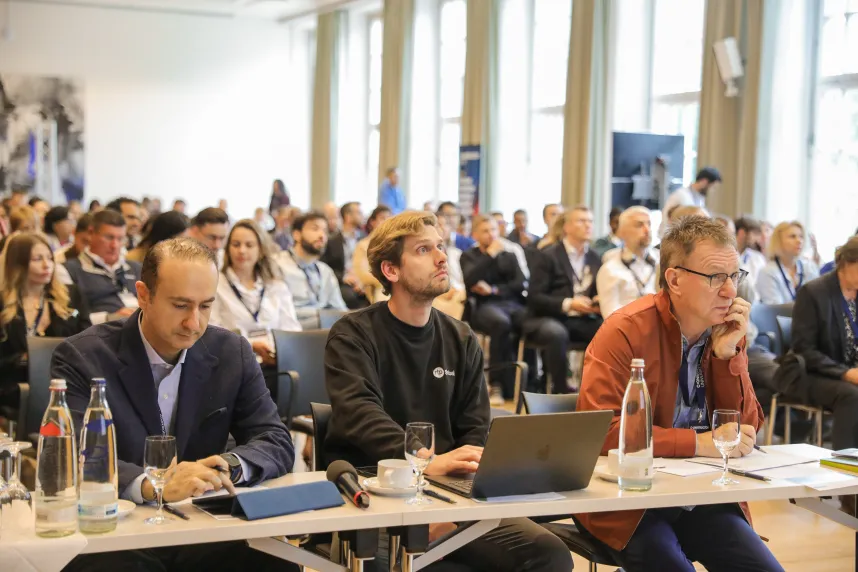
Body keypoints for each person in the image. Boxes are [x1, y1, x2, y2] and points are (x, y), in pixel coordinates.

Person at [323, 211, 573, 572]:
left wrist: (455, 502)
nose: (442, 257)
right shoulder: (353, 334)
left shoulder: (460, 336)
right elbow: (359, 413)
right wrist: (423, 463)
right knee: (383, 562)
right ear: (391, 271)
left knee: (549, 553)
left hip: (451, 493)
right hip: (375, 493)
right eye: (424, 249)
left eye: (440, 246)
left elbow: (475, 425)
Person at [53, 237, 296, 572]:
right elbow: (74, 458)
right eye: (181, 305)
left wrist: (225, 466)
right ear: (143, 296)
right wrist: (157, 485)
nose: (194, 322)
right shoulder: (82, 357)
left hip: (202, 528)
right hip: (117, 531)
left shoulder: (231, 352)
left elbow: (276, 440)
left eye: (206, 306)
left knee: (275, 562)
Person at [575, 215, 781, 572]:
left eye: (735, 276)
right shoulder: (624, 331)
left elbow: (745, 429)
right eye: (716, 277)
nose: (731, 291)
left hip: (700, 495)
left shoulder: (726, 330)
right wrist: (698, 442)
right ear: (675, 279)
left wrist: (726, 357)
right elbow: (603, 434)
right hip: (628, 502)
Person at [778, 237, 858, 453]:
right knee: (851, 395)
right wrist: (846, 373)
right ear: (846, 262)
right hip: (809, 373)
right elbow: (805, 349)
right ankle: (846, 467)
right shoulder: (814, 292)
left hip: (847, 372)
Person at [0, 233, 90, 405]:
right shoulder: (3, 304)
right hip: (16, 386)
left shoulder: (71, 295)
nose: (46, 265)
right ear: (17, 265)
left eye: (49, 258)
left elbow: (88, 340)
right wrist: (25, 358)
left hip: (66, 380)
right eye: (37, 259)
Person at [527, 206, 603, 393]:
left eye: (590, 221)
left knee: (608, 330)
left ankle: (593, 390)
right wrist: (569, 303)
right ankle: (560, 391)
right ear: (567, 227)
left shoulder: (594, 257)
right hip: (547, 317)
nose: (588, 225)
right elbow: (535, 297)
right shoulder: (547, 255)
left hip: (581, 318)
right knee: (557, 333)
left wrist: (597, 301)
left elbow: (595, 290)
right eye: (581, 221)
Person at [211, 219, 301, 365]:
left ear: (261, 250)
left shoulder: (276, 286)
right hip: (232, 363)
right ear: (227, 249)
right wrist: (250, 346)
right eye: (236, 244)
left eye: (249, 245)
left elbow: (292, 329)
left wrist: (279, 351)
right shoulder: (215, 284)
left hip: (275, 364)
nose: (242, 250)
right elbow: (212, 333)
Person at [461, 214, 527, 405]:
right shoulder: (469, 256)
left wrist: (494, 290)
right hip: (482, 306)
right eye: (485, 231)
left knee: (532, 322)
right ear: (475, 234)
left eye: (493, 230)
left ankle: (527, 383)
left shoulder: (509, 254)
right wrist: (490, 255)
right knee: (501, 324)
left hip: (510, 303)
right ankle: (496, 384)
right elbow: (470, 279)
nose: (491, 235)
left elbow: (519, 283)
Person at [63, 209, 142, 324]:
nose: (114, 245)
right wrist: (110, 318)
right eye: (109, 237)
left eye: (120, 239)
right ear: (91, 233)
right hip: (103, 332)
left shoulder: (136, 268)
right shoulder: (69, 269)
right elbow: (73, 318)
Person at [276, 211, 347, 329]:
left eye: (325, 231)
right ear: (296, 235)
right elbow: (278, 310)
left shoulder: (325, 271)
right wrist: (322, 316)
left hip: (325, 328)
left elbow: (339, 308)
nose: (322, 235)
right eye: (315, 229)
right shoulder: (278, 264)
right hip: (293, 327)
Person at [596, 206, 658, 318]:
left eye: (649, 224)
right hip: (629, 329)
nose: (647, 230)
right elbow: (611, 318)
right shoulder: (610, 270)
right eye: (639, 225)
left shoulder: (663, 262)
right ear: (622, 232)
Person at [756, 221, 820, 304]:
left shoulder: (810, 268)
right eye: (792, 236)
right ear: (778, 241)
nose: (799, 241)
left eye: (801, 236)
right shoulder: (767, 272)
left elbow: (818, 301)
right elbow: (774, 309)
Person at [321, 202, 368, 310]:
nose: (363, 216)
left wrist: (363, 280)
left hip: (364, 281)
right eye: (359, 213)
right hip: (343, 282)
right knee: (350, 297)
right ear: (348, 216)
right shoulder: (332, 241)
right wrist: (343, 277)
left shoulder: (365, 239)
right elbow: (325, 266)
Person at [659, 167, 721, 237]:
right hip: (673, 238)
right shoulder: (682, 196)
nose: (712, 191)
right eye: (712, 187)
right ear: (704, 182)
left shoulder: (699, 197)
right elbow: (668, 219)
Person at [354, 206, 393, 303]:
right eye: (382, 218)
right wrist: (386, 279)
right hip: (378, 286)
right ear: (372, 222)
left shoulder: (395, 244)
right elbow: (362, 273)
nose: (386, 221)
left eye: (389, 218)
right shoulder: (363, 245)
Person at [735, 215, 768, 288]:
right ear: (742, 233)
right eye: (755, 233)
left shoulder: (758, 257)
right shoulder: (727, 256)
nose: (757, 238)